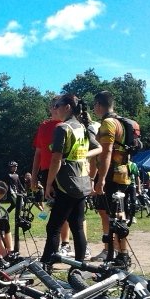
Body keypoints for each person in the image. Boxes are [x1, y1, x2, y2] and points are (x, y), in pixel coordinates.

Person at [41, 94, 100, 268]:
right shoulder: (82, 127)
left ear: (67, 107)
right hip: (82, 183)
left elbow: (56, 160)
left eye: (57, 105)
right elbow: (98, 149)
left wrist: (49, 183)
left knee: (53, 227)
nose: (55, 108)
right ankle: (79, 267)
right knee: (78, 227)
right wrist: (81, 158)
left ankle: (46, 265)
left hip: (65, 184)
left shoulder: (62, 128)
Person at [91, 90, 132, 267]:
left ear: (99, 105)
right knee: (111, 211)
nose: (94, 109)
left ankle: (120, 253)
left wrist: (100, 179)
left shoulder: (108, 123)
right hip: (122, 172)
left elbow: (106, 152)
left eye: (95, 105)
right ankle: (113, 249)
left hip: (111, 174)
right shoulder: (120, 122)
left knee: (114, 213)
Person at [30, 96, 72, 252]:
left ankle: (66, 243)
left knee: (66, 210)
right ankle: (58, 245)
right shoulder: (44, 126)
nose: (55, 109)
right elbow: (38, 153)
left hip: (64, 171)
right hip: (46, 171)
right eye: (53, 106)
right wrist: (34, 177)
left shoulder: (67, 126)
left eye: (58, 106)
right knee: (53, 209)